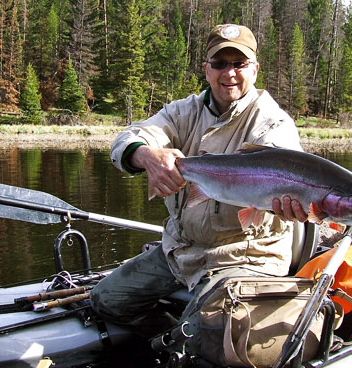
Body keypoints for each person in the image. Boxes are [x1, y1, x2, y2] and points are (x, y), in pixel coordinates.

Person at [90, 23, 308, 363]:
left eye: (239, 63)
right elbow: (129, 138)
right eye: (219, 64)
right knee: (105, 300)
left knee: (201, 336)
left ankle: (182, 343)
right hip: (181, 250)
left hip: (245, 256)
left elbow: (285, 170)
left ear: (255, 68)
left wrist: (288, 202)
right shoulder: (182, 112)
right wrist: (147, 156)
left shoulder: (273, 124)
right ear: (206, 69)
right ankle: (167, 341)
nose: (229, 73)